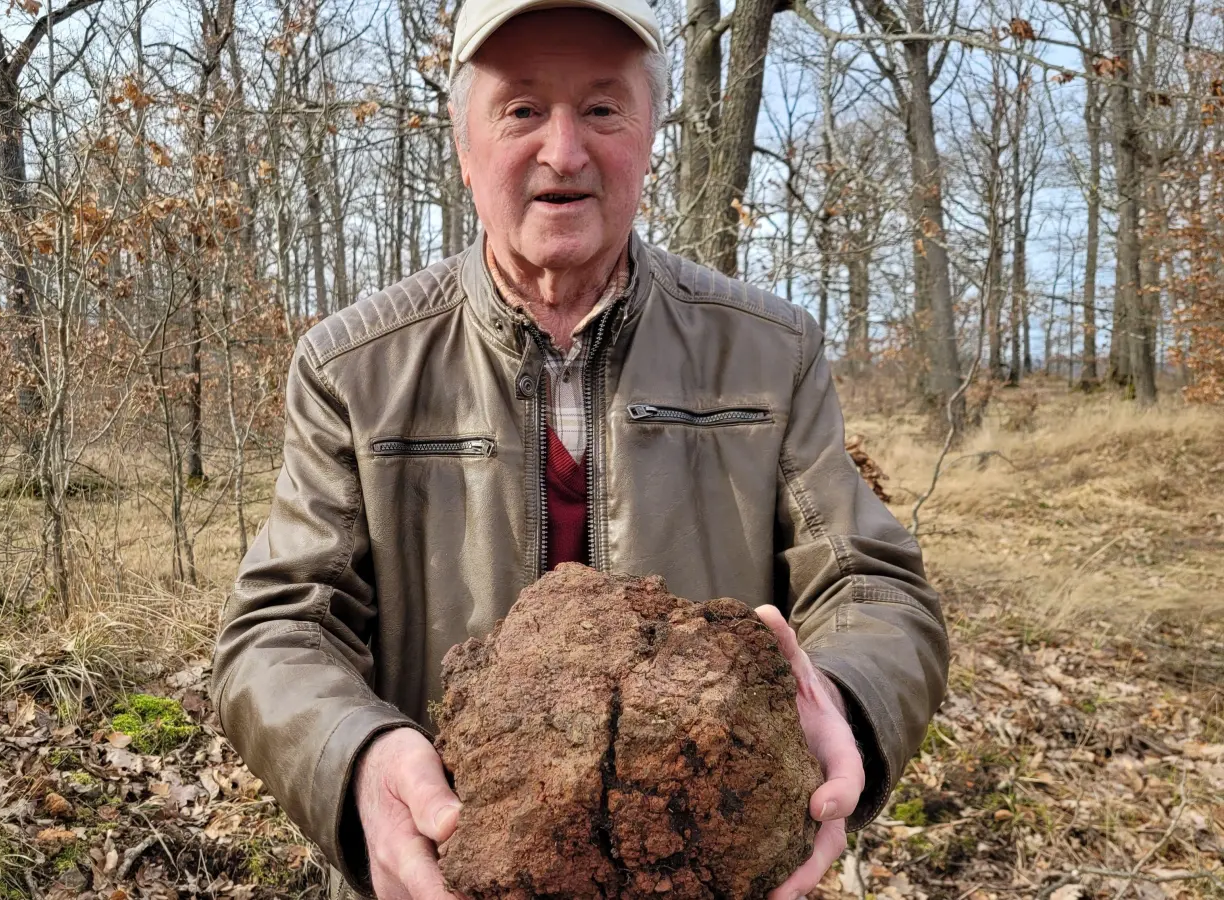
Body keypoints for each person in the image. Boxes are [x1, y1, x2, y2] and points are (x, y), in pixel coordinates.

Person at [210, 0, 949, 896]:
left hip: (694, 871)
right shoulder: (354, 368)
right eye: (522, 109)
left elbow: (872, 584)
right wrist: (356, 758)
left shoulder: (769, 354)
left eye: (602, 108)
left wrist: (840, 704)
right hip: (445, 873)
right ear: (464, 144)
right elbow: (280, 626)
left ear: (650, 136)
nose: (564, 151)